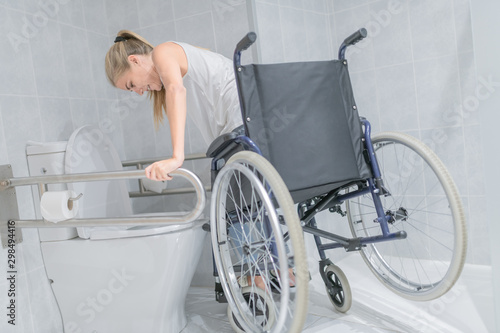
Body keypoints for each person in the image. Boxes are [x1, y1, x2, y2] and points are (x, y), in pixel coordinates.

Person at [105, 30, 242, 181]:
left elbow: (176, 90)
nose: (138, 92)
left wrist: (176, 158)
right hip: (234, 122)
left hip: (240, 110)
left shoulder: (161, 52)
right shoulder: (168, 77)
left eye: (132, 85)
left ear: (135, 60)